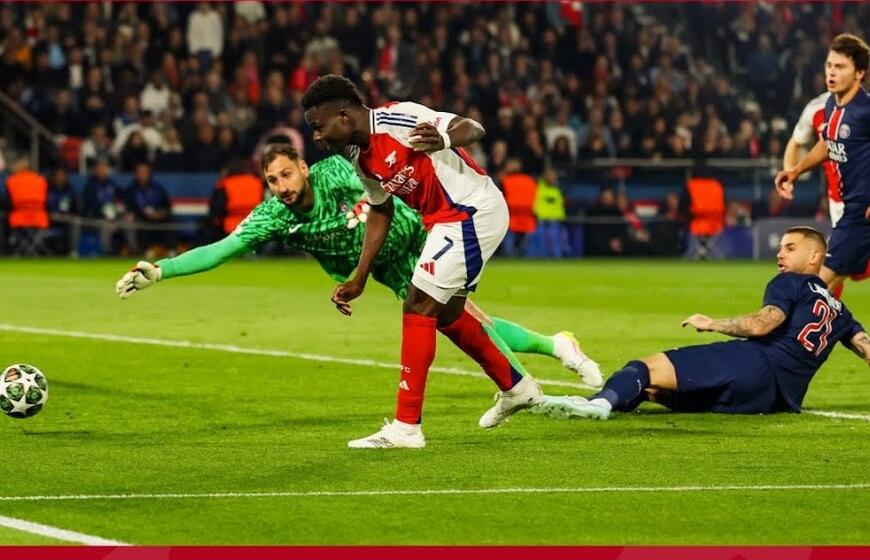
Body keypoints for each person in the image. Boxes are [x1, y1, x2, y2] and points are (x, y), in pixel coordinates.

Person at [115, 146, 602, 412]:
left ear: (303, 168)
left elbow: (379, 192)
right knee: (461, 322)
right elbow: (222, 250)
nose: (282, 187)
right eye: (273, 181)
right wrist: (161, 270)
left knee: (461, 320)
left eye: (286, 175)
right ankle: (547, 355)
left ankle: (528, 380)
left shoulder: (333, 173)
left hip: (417, 238)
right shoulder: (272, 216)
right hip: (388, 267)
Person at [301, 75, 545, 449]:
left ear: (344, 115)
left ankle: (406, 427)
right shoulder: (359, 159)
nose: (317, 137)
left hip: (471, 211)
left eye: (319, 126)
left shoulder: (397, 119)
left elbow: (473, 128)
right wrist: (360, 277)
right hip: (445, 222)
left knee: (417, 303)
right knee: (446, 314)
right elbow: (380, 210)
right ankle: (518, 388)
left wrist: (444, 137)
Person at [537, 227, 868, 420]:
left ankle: (598, 403)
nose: (780, 254)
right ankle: (609, 400)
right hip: (772, 400)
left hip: (752, 364)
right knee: (654, 391)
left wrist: (713, 323)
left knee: (643, 368)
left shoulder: (790, 282)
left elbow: (762, 324)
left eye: (790, 248)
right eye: (780, 247)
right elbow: (865, 348)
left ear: (814, 257)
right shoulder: (841, 312)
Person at [775, 34, 870, 296]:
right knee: (820, 285)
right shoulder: (830, 105)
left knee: (815, 287)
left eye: (840, 67)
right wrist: (795, 171)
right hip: (853, 211)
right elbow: (827, 144)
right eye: (829, 65)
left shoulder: (865, 110)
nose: (831, 72)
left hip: (861, 212)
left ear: (859, 73)